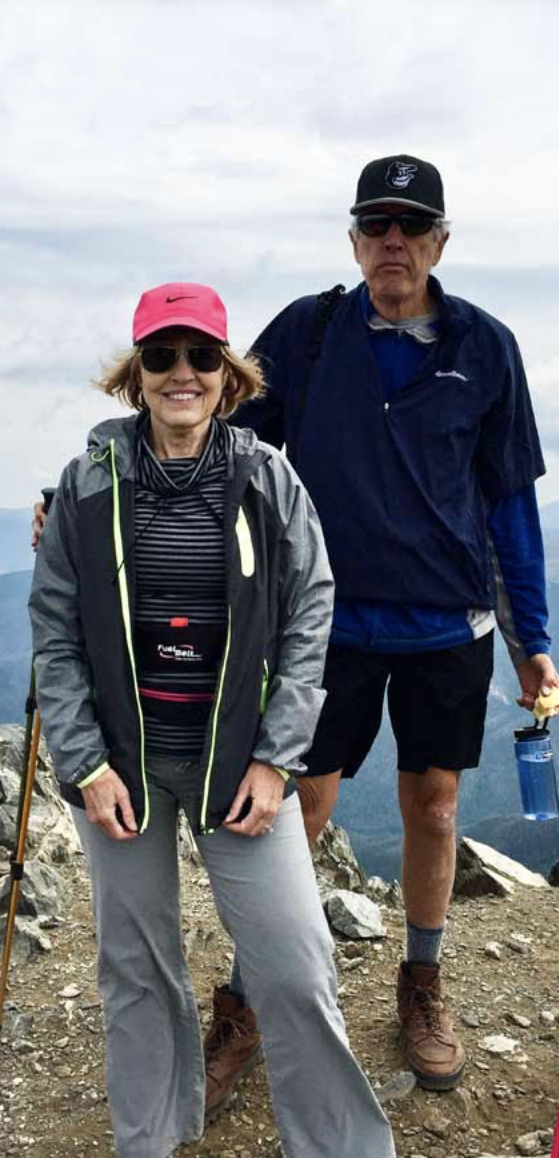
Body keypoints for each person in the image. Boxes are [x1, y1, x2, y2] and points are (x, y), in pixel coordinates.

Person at [227, 154, 559, 1094]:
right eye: (376, 224)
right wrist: (98, 496)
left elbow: (509, 510)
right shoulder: (307, 333)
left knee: (436, 804)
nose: (393, 241)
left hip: (447, 628)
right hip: (321, 624)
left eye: (412, 227)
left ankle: (422, 979)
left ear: (441, 243)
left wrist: (532, 639)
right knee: (299, 804)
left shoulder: (486, 347)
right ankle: (252, 990)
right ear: (352, 239)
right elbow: (211, 440)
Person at [30, 284, 394, 1157]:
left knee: (297, 970)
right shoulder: (87, 489)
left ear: (228, 377)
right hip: (121, 770)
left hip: (240, 770)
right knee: (133, 970)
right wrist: (85, 766)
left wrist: (277, 761)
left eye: (200, 357)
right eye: (162, 356)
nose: (181, 373)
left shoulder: (268, 480)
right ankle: (148, 1141)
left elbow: (313, 615)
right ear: (136, 376)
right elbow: (54, 630)